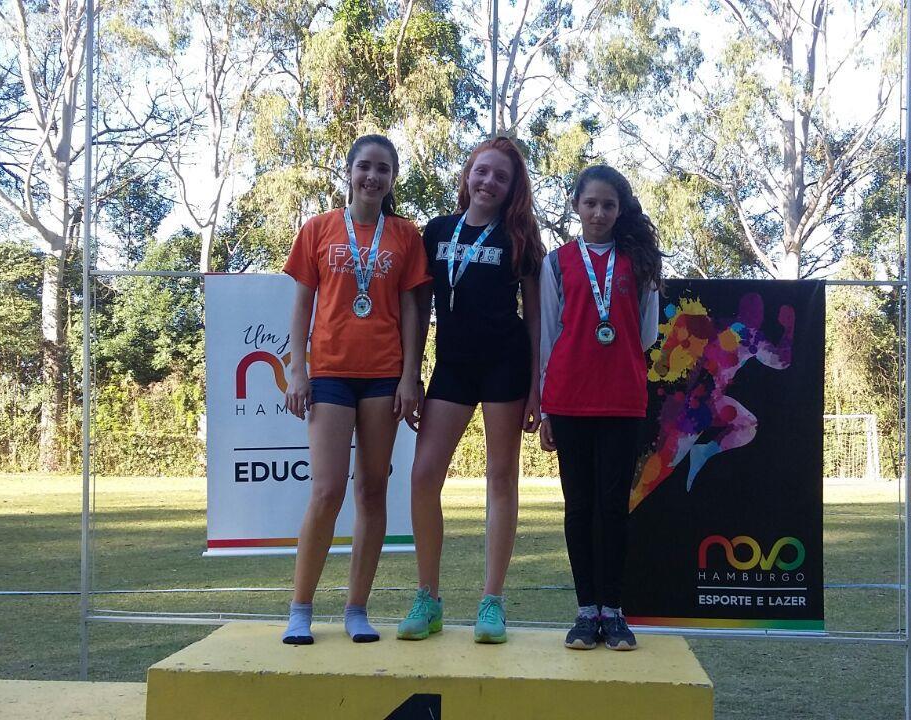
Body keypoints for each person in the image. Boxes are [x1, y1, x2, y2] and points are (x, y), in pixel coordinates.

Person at [280, 134, 430, 645]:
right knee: (327, 490)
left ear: (392, 178)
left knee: (371, 489)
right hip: (329, 373)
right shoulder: (318, 228)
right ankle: (300, 609)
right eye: (365, 166)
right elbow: (302, 305)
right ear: (349, 172)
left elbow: (411, 311)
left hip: (384, 374)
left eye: (383, 169)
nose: (373, 177)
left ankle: (356, 608)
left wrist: (410, 376)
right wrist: (296, 369)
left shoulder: (405, 235)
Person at [397, 137, 546, 644]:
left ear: (512, 188)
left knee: (501, 477)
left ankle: (491, 601)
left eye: (501, 177)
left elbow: (535, 317)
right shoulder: (437, 231)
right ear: (467, 174)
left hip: (506, 366)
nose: (489, 182)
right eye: (482, 171)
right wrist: (411, 374)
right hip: (452, 368)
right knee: (423, 475)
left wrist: (536, 386)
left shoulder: (520, 237)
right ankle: (428, 597)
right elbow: (418, 309)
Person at [538, 165, 662, 651]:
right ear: (576, 205)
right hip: (569, 399)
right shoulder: (556, 263)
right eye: (590, 203)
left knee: (613, 508)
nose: (599, 212)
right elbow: (549, 335)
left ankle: (614, 610)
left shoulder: (639, 262)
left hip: (622, 399)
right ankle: (585, 610)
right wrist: (545, 408)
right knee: (579, 507)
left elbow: (646, 334)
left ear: (620, 209)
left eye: (608, 205)